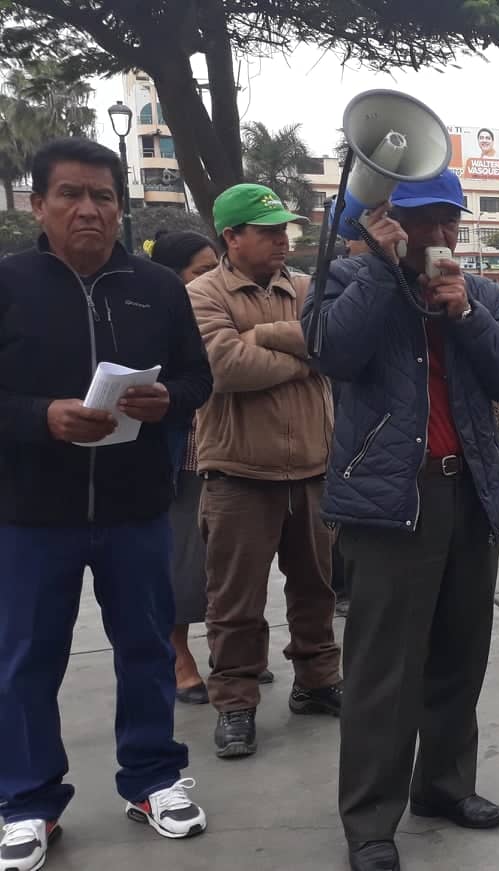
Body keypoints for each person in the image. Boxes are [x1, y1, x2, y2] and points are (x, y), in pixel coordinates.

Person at [304, 169, 499, 871]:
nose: (440, 234)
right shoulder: (348, 283)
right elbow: (332, 351)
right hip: (390, 503)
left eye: (449, 220)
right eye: (423, 220)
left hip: (468, 495)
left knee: (460, 654)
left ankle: (444, 784)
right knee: (384, 671)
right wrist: (377, 268)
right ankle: (371, 822)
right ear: (385, 223)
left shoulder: (478, 293)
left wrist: (465, 313)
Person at [0, 138, 213, 870]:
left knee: (147, 646)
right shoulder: (9, 283)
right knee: (25, 658)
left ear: (122, 208)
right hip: (31, 514)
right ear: (40, 205)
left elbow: (197, 379)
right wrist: (41, 416)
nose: (88, 209)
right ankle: (27, 799)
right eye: (70, 194)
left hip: (136, 508)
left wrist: (166, 402)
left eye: (103, 196)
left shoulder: (157, 287)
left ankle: (153, 777)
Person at [187, 183, 343, 759]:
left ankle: (318, 680)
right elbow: (225, 366)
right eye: (268, 230)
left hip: (310, 467)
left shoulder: (303, 287)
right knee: (235, 599)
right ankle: (235, 702)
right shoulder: (202, 294)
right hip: (238, 472)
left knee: (315, 586)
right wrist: (301, 359)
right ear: (231, 237)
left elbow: (331, 343)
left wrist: (271, 342)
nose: (283, 239)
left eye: (285, 229)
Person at [146, 231, 221, 705]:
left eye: (216, 268)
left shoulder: (222, 308)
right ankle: (177, 656)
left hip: (226, 456)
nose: (211, 279)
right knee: (182, 565)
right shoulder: (157, 322)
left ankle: (228, 651)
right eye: (200, 272)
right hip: (181, 460)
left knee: (223, 566)